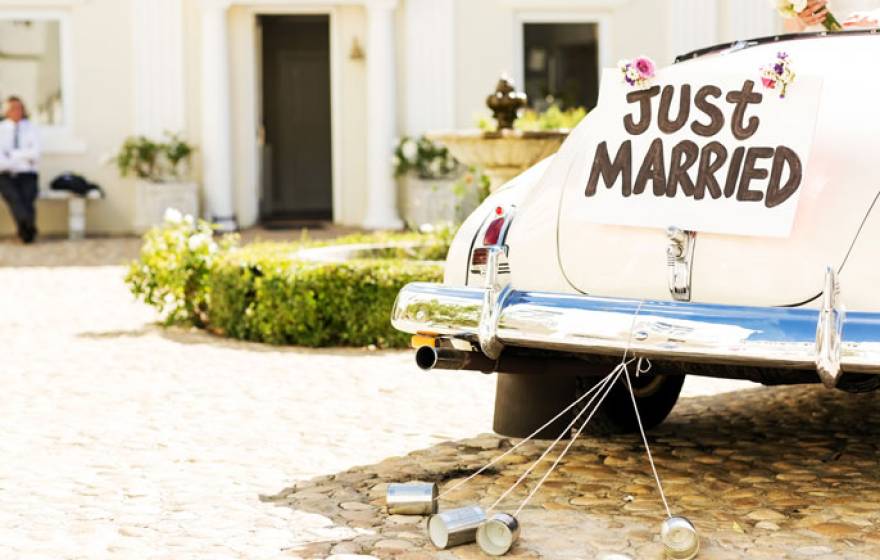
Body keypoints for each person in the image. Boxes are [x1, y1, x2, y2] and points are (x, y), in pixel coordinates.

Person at [0, 96, 40, 243]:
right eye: (13, 108)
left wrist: (11, 155)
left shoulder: (31, 128)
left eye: (19, 108)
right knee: (15, 199)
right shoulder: (1, 129)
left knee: (28, 200)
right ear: (6, 111)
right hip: (6, 175)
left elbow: (35, 154)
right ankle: (29, 229)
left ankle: (25, 232)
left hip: (28, 174)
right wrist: (22, 157)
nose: (17, 111)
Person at [785, 0, 880, 31]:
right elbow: (789, 25)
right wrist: (801, 21)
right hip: (818, 46)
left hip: (869, 40)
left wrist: (876, 16)